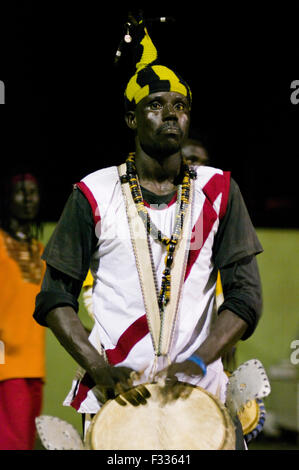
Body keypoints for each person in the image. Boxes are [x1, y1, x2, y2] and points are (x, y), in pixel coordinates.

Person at [34, 18, 263, 449]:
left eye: (180, 105)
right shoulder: (93, 193)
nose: (171, 114)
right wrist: (96, 367)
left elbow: (246, 297)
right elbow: (54, 296)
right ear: (130, 116)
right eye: (157, 105)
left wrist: (199, 360)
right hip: (117, 394)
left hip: (199, 393)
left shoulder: (220, 191)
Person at [0, 172, 46, 450]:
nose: (28, 198)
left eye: (33, 191)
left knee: (25, 443)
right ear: (7, 198)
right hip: (6, 366)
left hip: (34, 366)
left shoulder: (39, 250)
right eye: (20, 191)